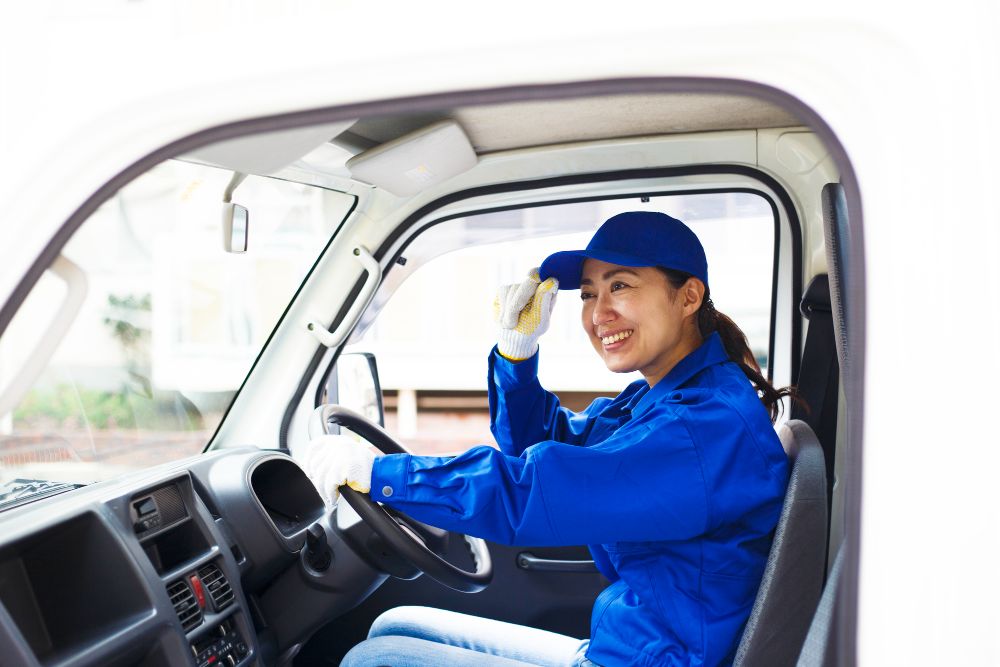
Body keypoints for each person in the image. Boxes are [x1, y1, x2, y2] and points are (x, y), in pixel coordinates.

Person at [305, 211, 792, 667]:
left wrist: (378, 473)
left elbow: (532, 490)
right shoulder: (666, 398)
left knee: (374, 661)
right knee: (395, 622)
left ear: (688, 297)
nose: (599, 314)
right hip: (632, 643)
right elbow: (554, 443)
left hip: (650, 658)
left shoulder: (698, 428)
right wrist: (517, 354)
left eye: (619, 286)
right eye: (586, 294)